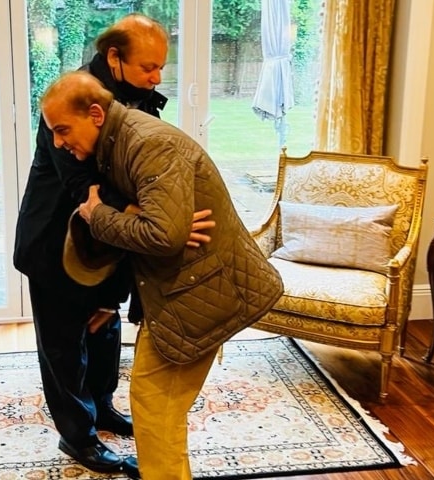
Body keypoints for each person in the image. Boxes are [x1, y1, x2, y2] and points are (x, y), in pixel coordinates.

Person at [40, 71, 284, 480]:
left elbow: (162, 235)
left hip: (199, 292)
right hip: (182, 289)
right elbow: (163, 230)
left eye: (62, 130)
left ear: (96, 114)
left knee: (155, 406)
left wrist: (98, 214)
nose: (58, 143)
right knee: (158, 410)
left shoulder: (147, 143)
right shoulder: (119, 141)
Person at [13, 13, 213, 477]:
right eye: (148, 67)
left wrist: (151, 212)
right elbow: (85, 186)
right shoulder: (71, 102)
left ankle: (101, 408)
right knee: (64, 349)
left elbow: (143, 173)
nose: (157, 77)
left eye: (161, 67)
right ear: (114, 58)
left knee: (104, 335)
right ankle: (77, 437)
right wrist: (160, 219)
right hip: (53, 246)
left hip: (108, 248)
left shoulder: (138, 101)